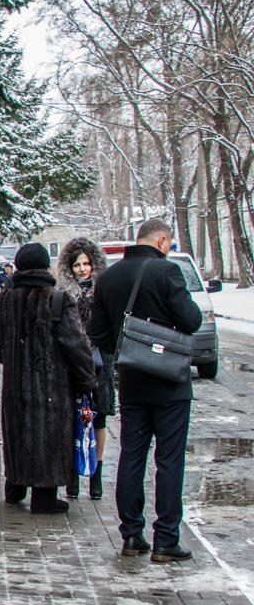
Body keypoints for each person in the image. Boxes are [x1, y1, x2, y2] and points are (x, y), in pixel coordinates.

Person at [90, 218, 202, 562]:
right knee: (168, 460)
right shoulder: (165, 272)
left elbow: (99, 334)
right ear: (162, 239)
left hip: (132, 382)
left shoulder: (108, 278)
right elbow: (192, 320)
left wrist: (128, 354)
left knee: (132, 455)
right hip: (170, 383)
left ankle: (131, 535)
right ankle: (166, 539)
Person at [0, 243, 96, 513]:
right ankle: (44, 496)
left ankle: (15, 486)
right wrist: (87, 381)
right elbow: (76, 346)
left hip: (14, 388)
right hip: (52, 389)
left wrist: (18, 360)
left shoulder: (4, 300)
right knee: (46, 436)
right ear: (45, 267)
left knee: (17, 433)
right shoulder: (56, 300)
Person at [57, 237, 114, 500]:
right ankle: (73, 475)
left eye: (86, 264)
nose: (82, 269)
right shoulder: (64, 294)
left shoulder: (103, 291)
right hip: (73, 362)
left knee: (98, 417)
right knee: (73, 417)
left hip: (100, 361)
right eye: (77, 264)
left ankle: (96, 474)